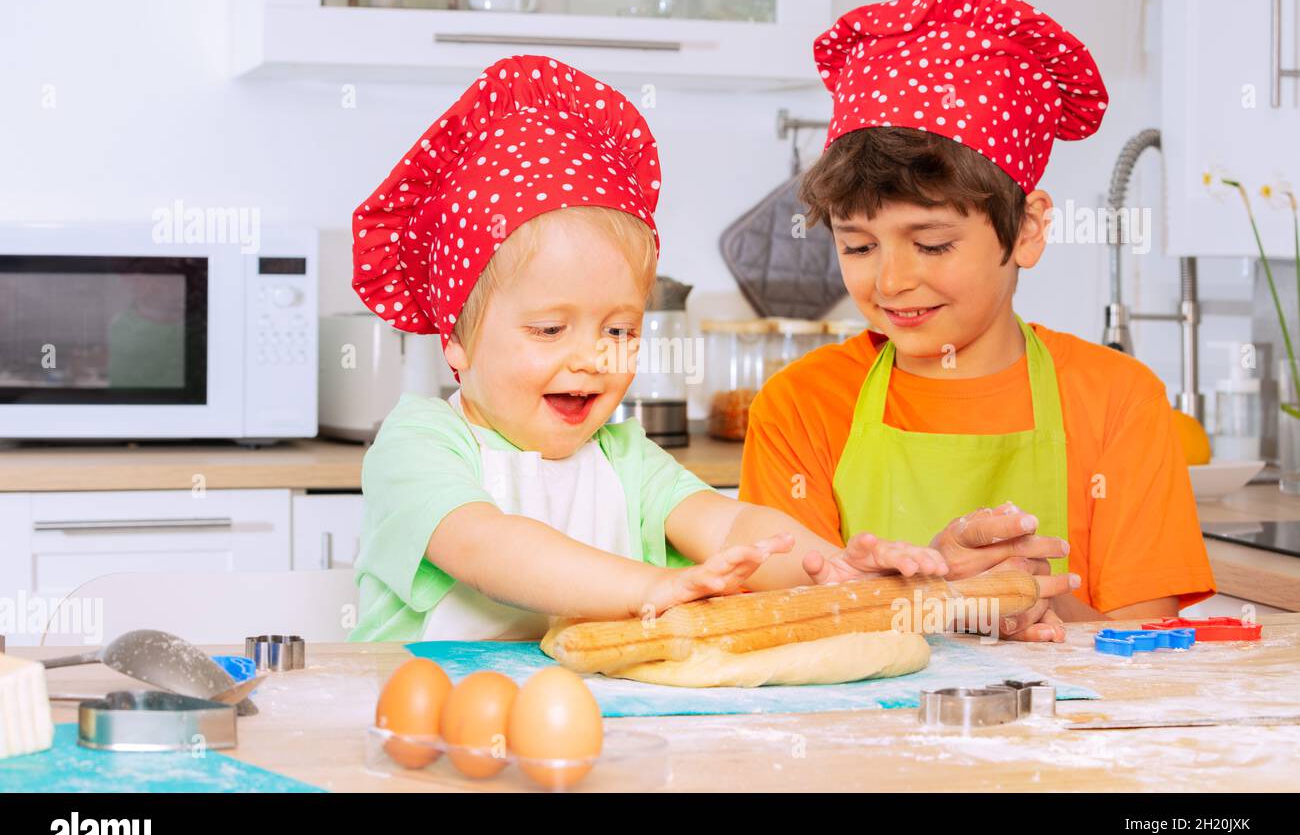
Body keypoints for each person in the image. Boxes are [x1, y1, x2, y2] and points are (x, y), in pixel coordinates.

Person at [346, 54, 1073, 642]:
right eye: (548, 330)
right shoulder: (422, 445)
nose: (591, 358)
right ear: (456, 343)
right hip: (431, 745)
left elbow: (732, 527)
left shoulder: (625, 459)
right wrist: (651, 587)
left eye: (618, 329)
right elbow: (491, 549)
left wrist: (834, 567)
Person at [740, 0, 1215, 639]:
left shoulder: (1118, 402)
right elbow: (785, 621)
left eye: (931, 244)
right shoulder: (801, 405)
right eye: (857, 245)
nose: (891, 281)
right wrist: (936, 598)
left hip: (1071, 737)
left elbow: (1144, 642)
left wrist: (1011, 599)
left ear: (1027, 230)